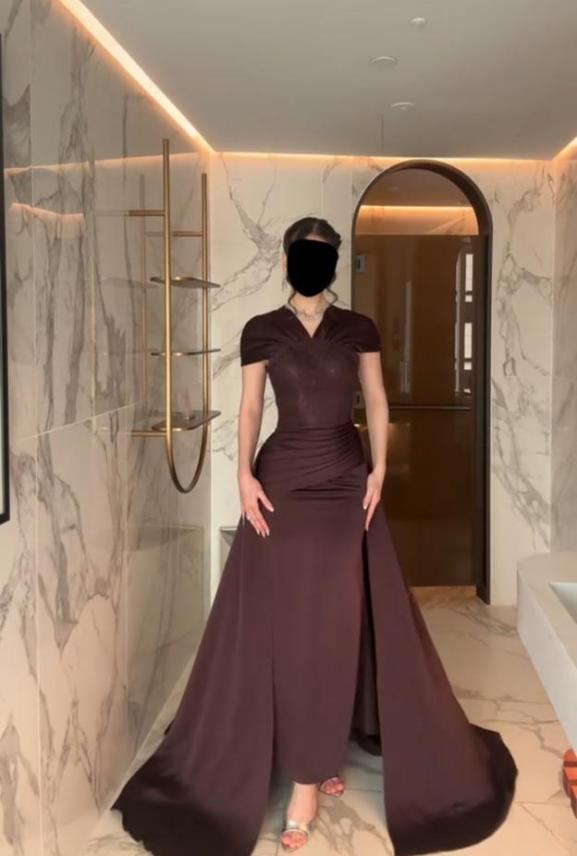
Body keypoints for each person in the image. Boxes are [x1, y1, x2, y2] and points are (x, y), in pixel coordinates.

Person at [111, 217, 518, 856]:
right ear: (285, 262)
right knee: (290, 623)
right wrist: (242, 475)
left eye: (322, 256)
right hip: (282, 483)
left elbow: (376, 400)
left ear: (332, 264)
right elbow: (251, 407)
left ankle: (318, 756)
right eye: (302, 256)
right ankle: (305, 765)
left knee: (337, 619)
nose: (310, 265)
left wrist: (379, 467)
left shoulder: (358, 328)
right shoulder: (261, 329)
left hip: (344, 480)